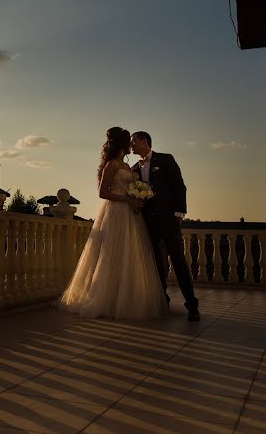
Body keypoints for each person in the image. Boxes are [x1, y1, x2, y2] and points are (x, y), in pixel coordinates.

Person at [59, 127, 168, 320]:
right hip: (116, 212)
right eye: (130, 142)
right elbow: (102, 193)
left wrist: (138, 197)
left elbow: (131, 188)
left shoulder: (128, 167)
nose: (132, 146)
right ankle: (106, 300)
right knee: (111, 254)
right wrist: (128, 200)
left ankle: (125, 298)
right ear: (123, 144)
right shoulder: (111, 165)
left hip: (132, 214)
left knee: (130, 253)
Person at [130, 131, 200, 321]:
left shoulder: (166, 159)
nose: (132, 145)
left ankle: (192, 304)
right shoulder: (134, 168)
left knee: (178, 261)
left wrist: (179, 213)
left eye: (134, 141)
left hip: (169, 220)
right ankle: (163, 301)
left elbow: (179, 186)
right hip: (148, 223)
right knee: (157, 264)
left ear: (144, 140)